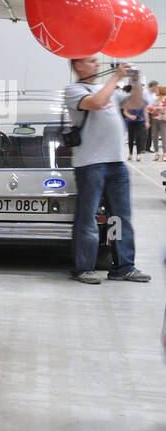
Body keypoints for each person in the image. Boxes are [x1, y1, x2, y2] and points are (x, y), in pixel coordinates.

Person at [65, 57, 151, 284]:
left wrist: (135, 81)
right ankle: (84, 267)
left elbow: (135, 103)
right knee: (88, 218)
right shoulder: (74, 90)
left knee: (119, 218)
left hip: (117, 163)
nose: (97, 64)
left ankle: (123, 265)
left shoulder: (108, 90)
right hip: (90, 163)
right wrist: (116, 77)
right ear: (78, 65)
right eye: (91, 61)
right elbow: (95, 103)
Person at [124, 94, 150, 161]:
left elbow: (145, 112)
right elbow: (125, 112)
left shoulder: (143, 101)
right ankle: (130, 153)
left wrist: (147, 122)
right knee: (131, 138)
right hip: (130, 121)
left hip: (140, 121)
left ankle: (138, 154)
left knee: (139, 137)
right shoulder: (128, 100)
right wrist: (130, 116)